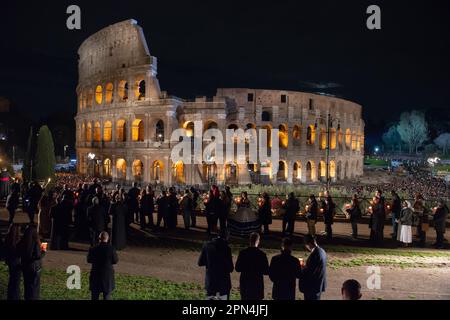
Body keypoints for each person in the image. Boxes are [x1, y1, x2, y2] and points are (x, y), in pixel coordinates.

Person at [198, 229, 234, 300]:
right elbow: (230, 268)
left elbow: (200, 263)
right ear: (226, 237)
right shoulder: (226, 248)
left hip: (211, 281)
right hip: (223, 282)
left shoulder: (206, 246)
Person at [235, 233, 269, 300]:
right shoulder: (262, 255)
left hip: (245, 285)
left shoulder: (243, 253)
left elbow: (237, 268)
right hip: (257, 285)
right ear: (258, 241)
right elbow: (266, 271)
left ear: (250, 240)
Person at [17, 224, 46, 300]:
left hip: (25, 266)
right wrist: (43, 251)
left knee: (27, 286)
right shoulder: (35, 243)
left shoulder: (23, 242)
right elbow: (38, 256)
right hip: (34, 267)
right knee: (34, 288)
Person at [87, 231, 118, 300]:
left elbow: (89, 260)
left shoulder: (93, 248)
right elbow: (115, 261)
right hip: (107, 276)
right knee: (106, 296)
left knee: (94, 296)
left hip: (95, 274)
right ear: (107, 238)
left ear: (99, 238)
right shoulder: (111, 248)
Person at [299, 235, 327, 300]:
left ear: (308, 244)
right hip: (318, 285)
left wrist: (302, 266)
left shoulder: (315, 254)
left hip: (312, 287)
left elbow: (308, 272)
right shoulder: (322, 251)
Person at [4, 224, 22, 300]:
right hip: (17, 262)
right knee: (16, 282)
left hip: (10, 261)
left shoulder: (8, 239)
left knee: (12, 280)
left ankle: (10, 296)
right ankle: (15, 297)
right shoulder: (18, 240)